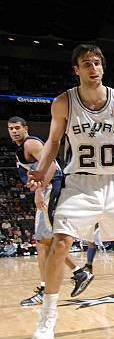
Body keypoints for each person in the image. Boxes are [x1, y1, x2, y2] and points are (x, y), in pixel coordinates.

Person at [28, 44, 114, 339]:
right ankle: (47, 318)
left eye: (97, 63)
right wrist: (41, 169)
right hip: (80, 183)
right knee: (61, 242)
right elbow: (52, 141)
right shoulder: (64, 102)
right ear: (76, 70)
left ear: (103, 67)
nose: (93, 68)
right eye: (86, 63)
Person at [7, 116, 93, 306]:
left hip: (48, 189)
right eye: (10, 128)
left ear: (25, 128)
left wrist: (39, 191)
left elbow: (52, 167)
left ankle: (50, 287)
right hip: (46, 189)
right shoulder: (22, 148)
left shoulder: (30, 144)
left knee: (43, 241)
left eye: (17, 128)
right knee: (45, 241)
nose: (13, 131)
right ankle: (78, 273)